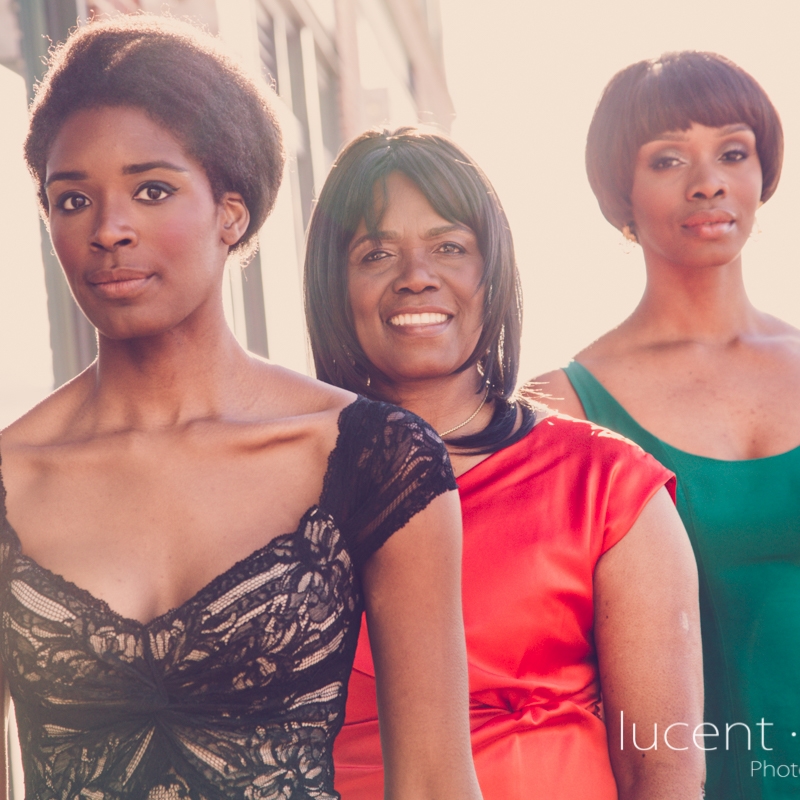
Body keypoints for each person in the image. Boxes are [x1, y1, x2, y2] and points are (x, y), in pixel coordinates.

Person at [0, 16, 482, 799]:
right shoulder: (10, 480)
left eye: (151, 190)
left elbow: (433, 781)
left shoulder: (373, 457)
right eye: (72, 199)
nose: (108, 229)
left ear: (233, 212)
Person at [304, 127, 705, 800]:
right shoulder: (276, 484)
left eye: (449, 247)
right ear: (332, 283)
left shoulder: (605, 487)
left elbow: (661, 769)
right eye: (376, 253)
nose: (416, 277)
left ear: (493, 274)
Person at [534, 52, 800, 800]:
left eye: (733, 152)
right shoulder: (562, 405)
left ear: (763, 172)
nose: (707, 181)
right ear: (621, 192)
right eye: (668, 158)